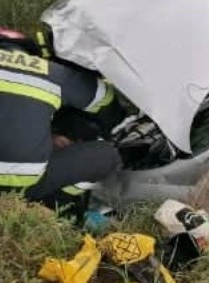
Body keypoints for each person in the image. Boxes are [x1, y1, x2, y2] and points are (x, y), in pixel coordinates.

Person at [0, 27, 124, 221]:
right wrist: (117, 123)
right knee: (106, 155)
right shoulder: (49, 70)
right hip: (24, 184)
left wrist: (47, 138)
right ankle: (55, 209)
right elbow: (102, 98)